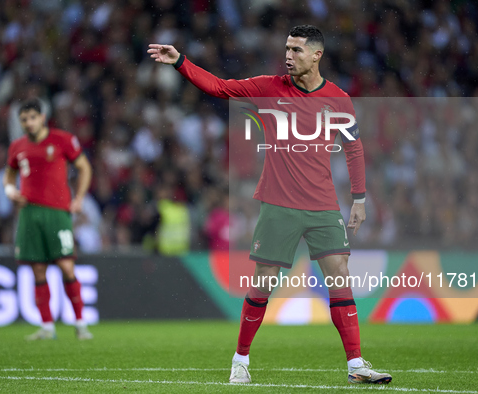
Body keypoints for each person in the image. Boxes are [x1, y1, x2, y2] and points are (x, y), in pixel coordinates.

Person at [148, 25, 392, 384]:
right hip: (278, 204)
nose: (288, 56)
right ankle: (240, 361)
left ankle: (356, 364)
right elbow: (220, 87)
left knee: (340, 277)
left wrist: (359, 198)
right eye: (287, 49)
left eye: (296, 50)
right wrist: (181, 62)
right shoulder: (268, 88)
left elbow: (353, 148)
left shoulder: (338, 99)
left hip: (323, 205)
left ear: (316, 55)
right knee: (263, 283)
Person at [3, 98, 94, 341]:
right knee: (38, 270)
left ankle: (80, 323)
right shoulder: (17, 147)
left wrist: (80, 198)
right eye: (24, 120)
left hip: (57, 212)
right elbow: (9, 176)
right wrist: (11, 192)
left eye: (32, 118)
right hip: (30, 213)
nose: (29, 123)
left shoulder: (62, 139)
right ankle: (47, 327)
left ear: (42, 118)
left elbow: (84, 167)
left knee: (66, 265)